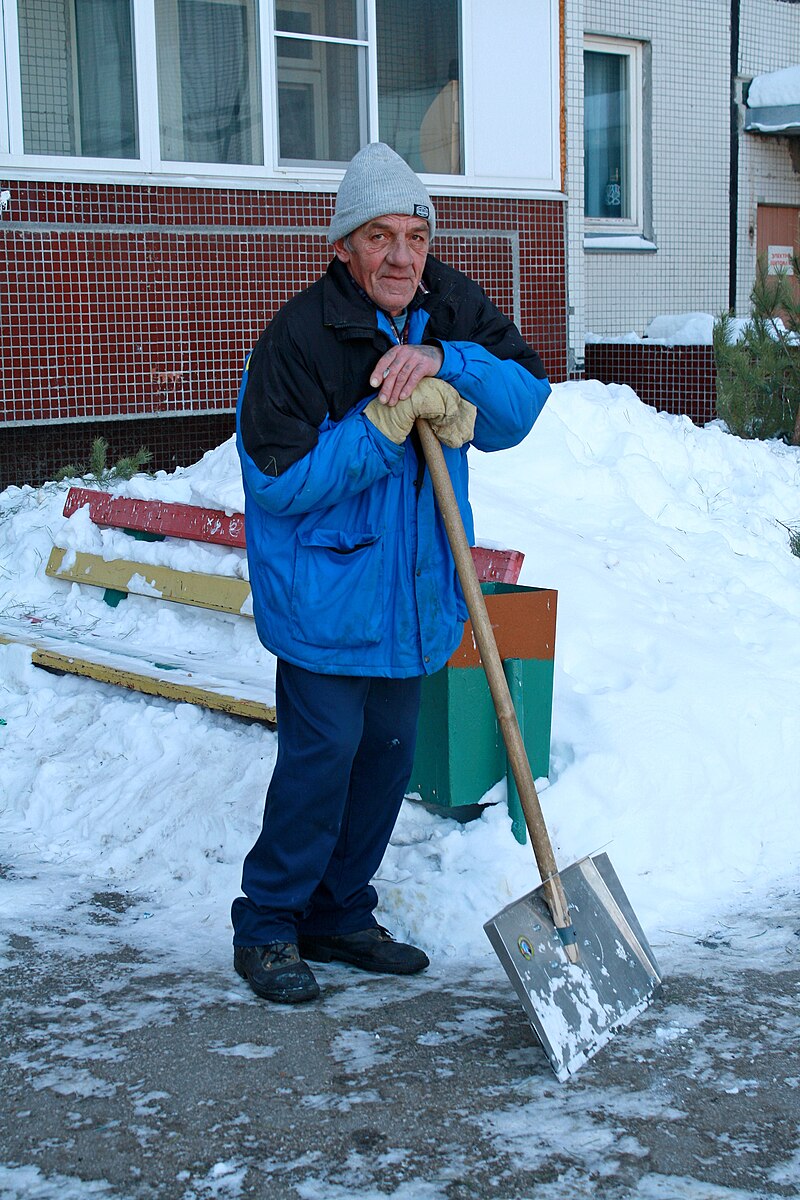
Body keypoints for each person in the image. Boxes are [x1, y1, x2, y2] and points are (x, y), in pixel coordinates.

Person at [232, 142, 551, 1004]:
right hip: (328, 599)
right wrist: (383, 423)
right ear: (344, 246)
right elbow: (279, 481)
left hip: (413, 598)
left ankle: (337, 913)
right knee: (323, 755)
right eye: (380, 237)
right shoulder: (299, 339)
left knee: (387, 756)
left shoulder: (448, 303)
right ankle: (267, 922)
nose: (403, 256)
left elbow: (525, 401)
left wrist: (449, 368)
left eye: (415, 234)